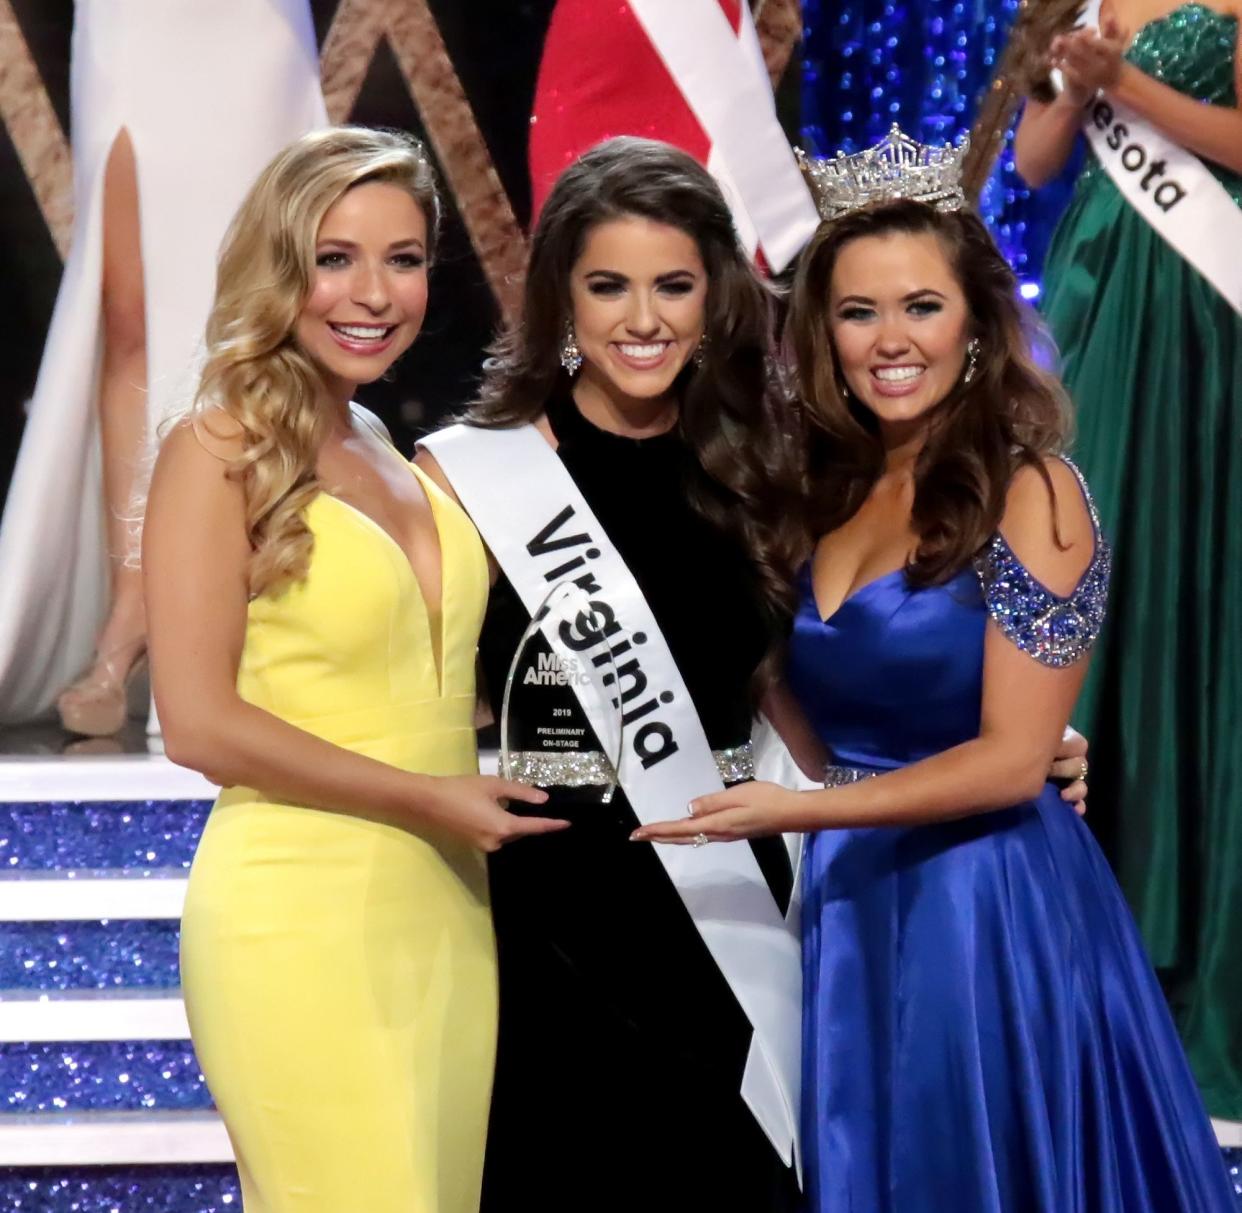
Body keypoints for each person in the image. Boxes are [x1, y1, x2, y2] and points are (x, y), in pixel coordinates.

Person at [417, 135, 1090, 1212]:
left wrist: (1019, 744)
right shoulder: (472, 476)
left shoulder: (771, 467)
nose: (643, 319)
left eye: (674, 285)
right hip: (549, 898)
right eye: (608, 286)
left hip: (733, 884)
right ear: (562, 301)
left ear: (717, 298)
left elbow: (808, 675)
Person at [634, 132, 1236, 1212]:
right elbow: (812, 717)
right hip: (856, 894)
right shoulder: (819, 488)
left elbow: (1010, 765)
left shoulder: (1033, 491)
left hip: (987, 907)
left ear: (976, 323)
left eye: (921, 306)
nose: (888, 340)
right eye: (858, 311)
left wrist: (803, 811)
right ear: (823, 330)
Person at [144, 127, 564, 1213]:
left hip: (445, 912)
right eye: (336, 257)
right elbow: (196, 723)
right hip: (297, 910)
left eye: (405, 258)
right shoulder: (216, 445)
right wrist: (428, 796)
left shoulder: (388, 442)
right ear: (279, 265)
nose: (374, 292)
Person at [1013, 1, 1242, 1117]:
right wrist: (1073, 76)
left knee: (1203, 587)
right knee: (1087, 576)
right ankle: (1081, 959)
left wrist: (1126, 82)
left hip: (1211, 312)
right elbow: (1036, 156)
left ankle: (1199, 954)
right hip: (1103, 294)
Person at [0, 0, 326, 735]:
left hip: (250, 25)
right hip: (136, 19)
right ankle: (134, 604)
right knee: (126, 316)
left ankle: (276, 611)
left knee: (260, 306)